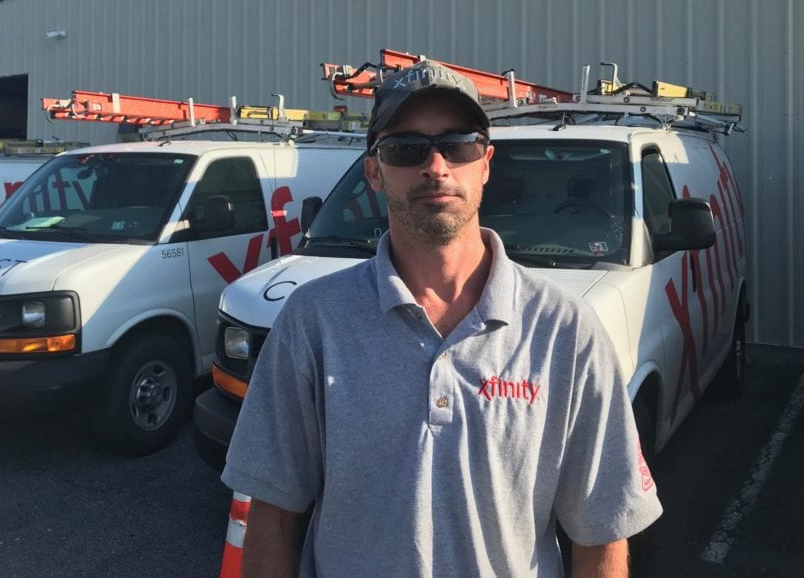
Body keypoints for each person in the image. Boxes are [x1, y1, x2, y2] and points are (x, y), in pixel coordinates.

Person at [221, 61, 663, 577]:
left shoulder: (566, 328)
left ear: (487, 162)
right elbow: (272, 514)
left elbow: (602, 532)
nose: (436, 166)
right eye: (406, 148)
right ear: (373, 171)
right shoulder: (313, 321)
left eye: (458, 144)